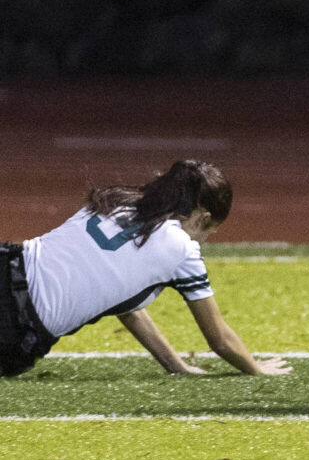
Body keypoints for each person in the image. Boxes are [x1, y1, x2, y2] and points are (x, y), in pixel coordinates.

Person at [1, 160, 291, 377]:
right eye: (211, 231)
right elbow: (219, 339)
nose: (205, 240)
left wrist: (175, 366)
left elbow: (126, 306)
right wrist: (255, 368)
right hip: (17, 324)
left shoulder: (119, 201)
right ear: (202, 217)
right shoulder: (183, 249)